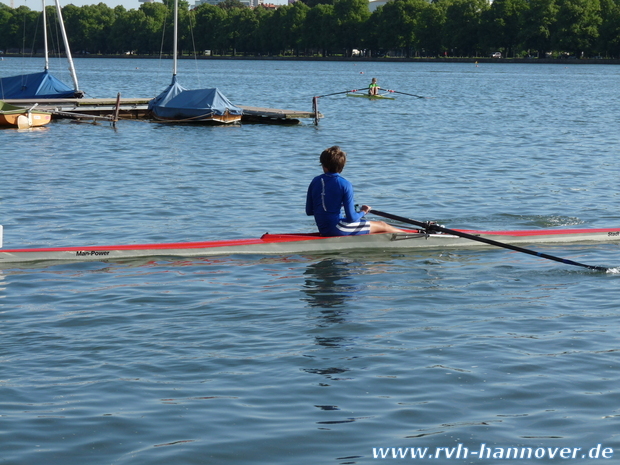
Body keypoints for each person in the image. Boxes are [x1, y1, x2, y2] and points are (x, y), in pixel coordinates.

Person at [306, 146, 406, 237]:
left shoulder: (315, 181)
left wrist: (334, 205)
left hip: (323, 229)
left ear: (324, 166)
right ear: (342, 166)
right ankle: (411, 237)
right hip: (338, 229)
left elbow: (309, 211)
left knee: (368, 224)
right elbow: (352, 218)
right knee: (382, 225)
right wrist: (363, 212)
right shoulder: (345, 184)